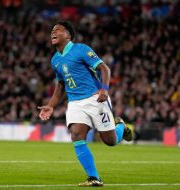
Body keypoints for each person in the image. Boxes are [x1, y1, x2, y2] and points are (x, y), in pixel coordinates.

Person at [38, 20, 133, 186]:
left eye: (58, 30)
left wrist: (104, 89)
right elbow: (61, 85)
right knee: (76, 134)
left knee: (109, 141)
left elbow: (105, 69)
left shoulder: (81, 49)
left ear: (67, 35)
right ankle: (94, 178)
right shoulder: (55, 60)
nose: (53, 32)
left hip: (95, 98)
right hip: (75, 102)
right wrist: (51, 105)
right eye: (52, 30)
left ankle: (121, 127)